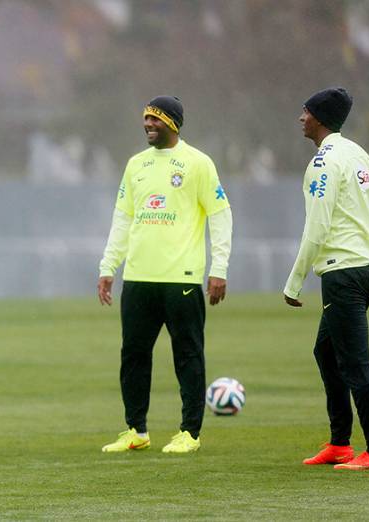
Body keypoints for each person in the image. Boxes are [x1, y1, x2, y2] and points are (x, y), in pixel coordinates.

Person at [98, 96, 233, 454]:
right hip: (139, 277)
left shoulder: (198, 163)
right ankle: (135, 430)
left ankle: (189, 432)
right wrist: (108, 266)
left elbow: (220, 216)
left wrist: (219, 269)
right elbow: (123, 219)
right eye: (145, 119)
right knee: (134, 355)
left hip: (182, 279)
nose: (148, 124)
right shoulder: (135, 165)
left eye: (155, 119)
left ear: (173, 123)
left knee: (187, 355)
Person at [284, 87, 369, 470]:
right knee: (326, 352)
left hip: (342, 272)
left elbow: (317, 226)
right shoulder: (358, 154)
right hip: (364, 267)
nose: (301, 118)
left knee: (355, 362)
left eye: (306, 111)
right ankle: (340, 443)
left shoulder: (323, 163)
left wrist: (294, 282)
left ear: (320, 118)